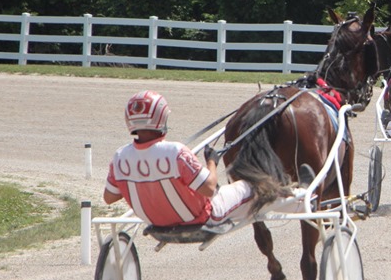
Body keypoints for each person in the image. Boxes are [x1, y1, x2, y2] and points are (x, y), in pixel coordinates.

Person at [103, 90, 297, 228]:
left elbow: (109, 197)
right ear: (161, 118)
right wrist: (211, 162)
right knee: (252, 187)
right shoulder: (176, 152)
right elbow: (210, 189)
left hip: (153, 220)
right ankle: (301, 197)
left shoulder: (120, 157)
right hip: (201, 216)